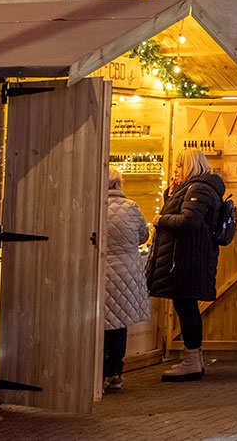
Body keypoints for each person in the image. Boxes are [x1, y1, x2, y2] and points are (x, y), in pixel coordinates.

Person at [147, 150, 224, 382]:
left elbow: (188, 221)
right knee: (185, 306)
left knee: (186, 306)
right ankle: (194, 359)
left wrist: (160, 220)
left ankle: (191, 360)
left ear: (189, 166)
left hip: (188, 259)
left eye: (179, 166)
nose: (176, 171)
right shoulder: (192, 188)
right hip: (188, 258)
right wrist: (169, 194)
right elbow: (180, 213)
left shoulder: (198, 189)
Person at [103, 167, 150, 392]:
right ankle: (116, 373)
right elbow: (143, 236)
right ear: (118, 184)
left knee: (100, 324)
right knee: (119, 324)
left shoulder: (94, 208)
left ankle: (99, 373)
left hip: (100, 271)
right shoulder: (131, 207)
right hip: (126, 272)